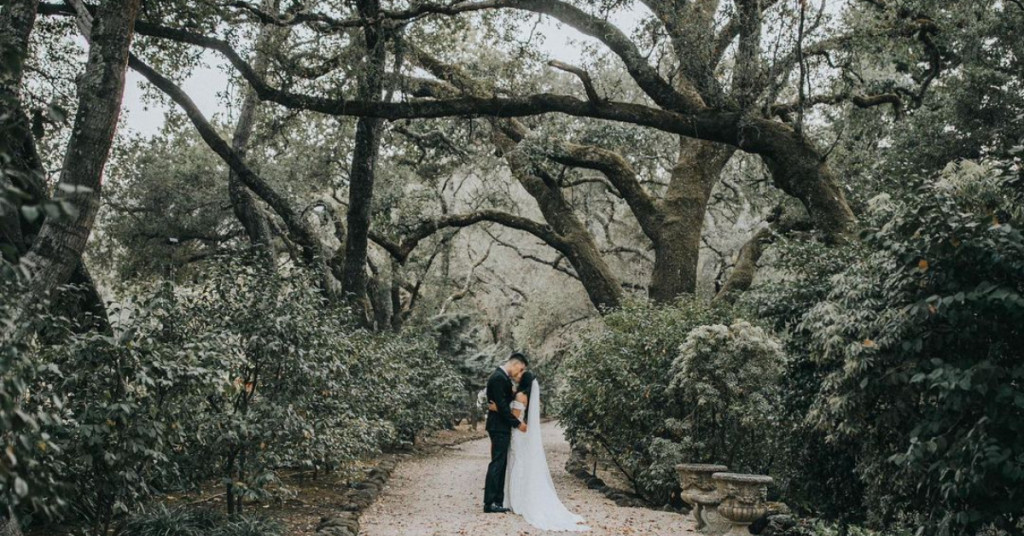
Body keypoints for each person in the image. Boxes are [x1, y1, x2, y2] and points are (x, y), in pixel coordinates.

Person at [492, 370, 590, 531]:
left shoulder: (520, 396)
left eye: (520, 377)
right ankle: (515, 498)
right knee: (520, 463)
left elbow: (513, 418)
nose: (517, 377)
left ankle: (517, 500)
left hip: (517, 434)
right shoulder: (527, 397)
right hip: (523, 434)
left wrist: (497, 408)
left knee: (518, 464)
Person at [483, 352, 528, 513]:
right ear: (515, 364)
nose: (519, 374)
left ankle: (497, 500)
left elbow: (504, 403)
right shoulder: (498, 378)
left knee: (501, 463)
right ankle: (490, 502)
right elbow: (502, 407)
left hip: (501, 426)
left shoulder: (503, 378)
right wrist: (517, 423)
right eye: (520, 369)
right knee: (497, 463)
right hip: (498, 427)